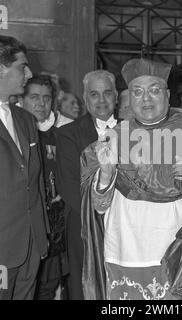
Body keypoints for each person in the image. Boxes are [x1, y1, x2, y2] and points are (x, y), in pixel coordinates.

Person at [80, 58, 182, 300]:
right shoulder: (112, 139)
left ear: (167, 95)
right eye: (138, 91)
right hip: (125, 249)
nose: (146, 99)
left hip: (177, 249)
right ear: (128, 97)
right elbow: (96, 208)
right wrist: (106, 173)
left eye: (154, 90)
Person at [56, 70, 118, 300]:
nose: (101, 100)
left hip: (125, 225)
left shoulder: (134, 132)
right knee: (85, 288)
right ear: (85, 98)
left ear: (116, 97)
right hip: (84, 226)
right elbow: (69, 185)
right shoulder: (67, 134)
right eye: (94, 94)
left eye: (107, 93)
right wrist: (101, 213)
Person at [0, 36, 49, 299]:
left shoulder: (26, 120)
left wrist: (41, 235)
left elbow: (35, 180)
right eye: (22, 67)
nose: (29, 74)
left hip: (31, 245)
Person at [20, 74, 68, 300]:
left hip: (52, 230)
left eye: (46, 98)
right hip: (19, 230)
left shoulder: (62, 134)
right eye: (34, 97)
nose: (41, 103)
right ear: (22, 99)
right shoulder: (10, 133)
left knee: (47, 290)